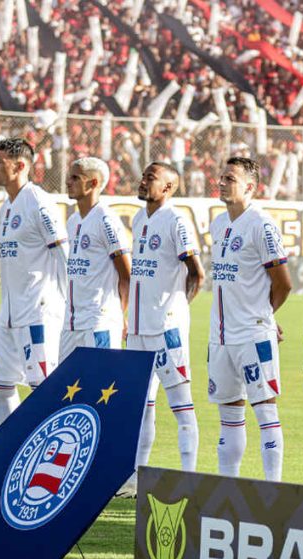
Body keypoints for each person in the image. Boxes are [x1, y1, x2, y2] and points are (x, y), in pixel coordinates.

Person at [121, 162, 204, 497]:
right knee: (141, 407)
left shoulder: (177, 220)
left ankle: (190, 480)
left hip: (166, 329)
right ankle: (135, 477)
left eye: (151, 178)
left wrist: (178, 309)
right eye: (143, 175)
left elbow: (196, 272)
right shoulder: (140, 219)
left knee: (181, 404)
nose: (143, 181)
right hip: (139, 330)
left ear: (168, 187)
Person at [208, 157, 292, 481]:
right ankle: (227, 485)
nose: (222, 181)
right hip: (220, 337)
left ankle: (274, 489)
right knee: (228, 415)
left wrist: (264, 316)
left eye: (230, 177)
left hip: (252, 335)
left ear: (249, 187)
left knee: (265, 410)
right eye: (222, 176)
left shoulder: (262, 224)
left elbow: (283, 282)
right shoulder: (218, 224)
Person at [0, 138, 68, 426]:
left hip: (38, 310)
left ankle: (51, 455)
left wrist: (71, 303)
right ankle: (9, 452)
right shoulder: (6, 206)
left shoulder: (37, 200)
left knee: (43, 387)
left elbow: (63, 253)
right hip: (10, 313)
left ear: (20, 166)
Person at [59, 157, 131, 357]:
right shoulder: (73, 221)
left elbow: (126, 275)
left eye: (75, 177)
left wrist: (120, 314)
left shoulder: (106, 220)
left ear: (93, 183)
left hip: (99, 322)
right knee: (67, 387)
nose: (68, 182)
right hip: (71, 323)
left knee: (100, 385)